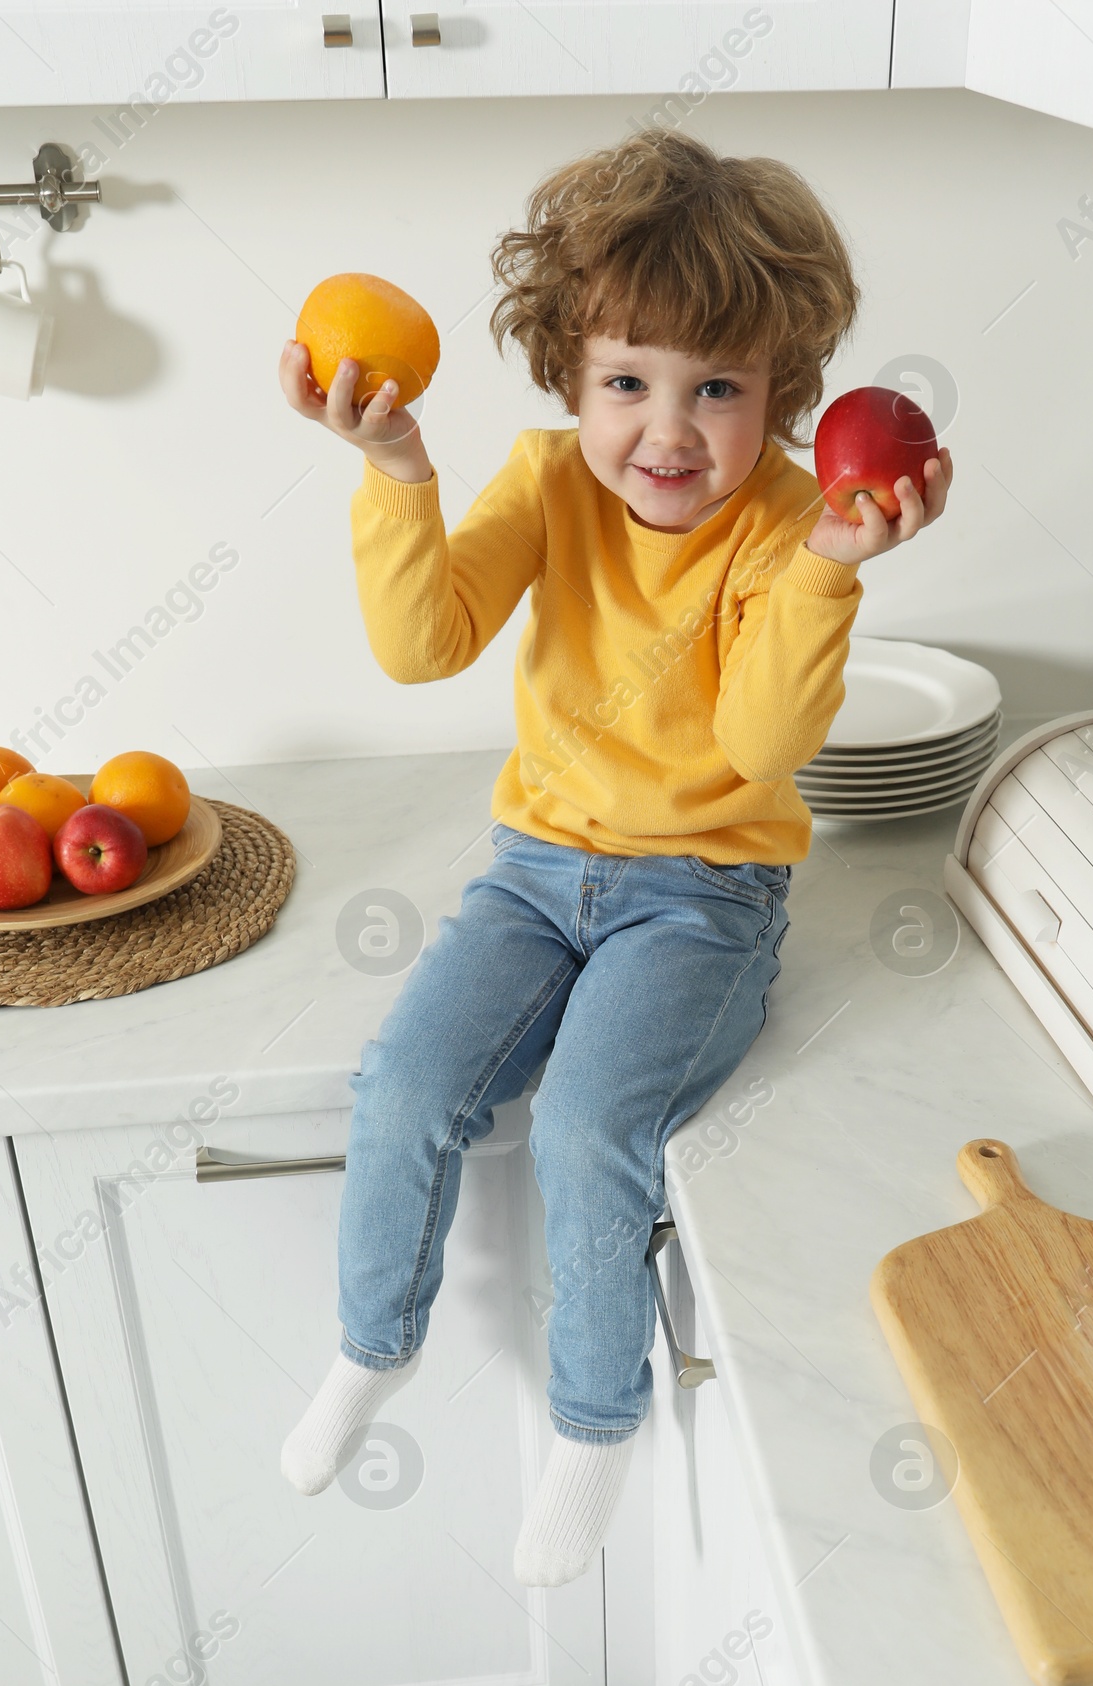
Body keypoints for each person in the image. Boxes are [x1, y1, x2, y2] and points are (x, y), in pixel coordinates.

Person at [277, 128, 951, 1586]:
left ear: (783, 396)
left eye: (719, 388)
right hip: (534, 868)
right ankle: (369, 1348)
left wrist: (832, 567)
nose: (670, 430)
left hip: (703, 899)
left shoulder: (790, 525)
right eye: (628, 382)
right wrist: (397, 469)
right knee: (402, 1085)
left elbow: (767, 750)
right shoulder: (544, 480)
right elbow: (422, 645)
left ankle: (596, 1422)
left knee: (591, 1126)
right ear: (568, 380)